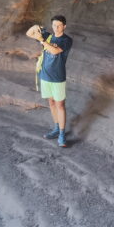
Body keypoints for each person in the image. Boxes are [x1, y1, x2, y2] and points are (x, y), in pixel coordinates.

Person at [26, 15, 74, 148]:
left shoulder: (66, 40)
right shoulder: (48, 36)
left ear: (64, 26)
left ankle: (62, 134)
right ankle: (56, 128)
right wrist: (36, 28)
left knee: (60, 105)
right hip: (45, 75)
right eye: (54, 25)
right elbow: (29, 33)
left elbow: (55, 50)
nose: (56, 28)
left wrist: (42, 40)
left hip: (58, 77)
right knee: (52, 103)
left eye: (59, 25)